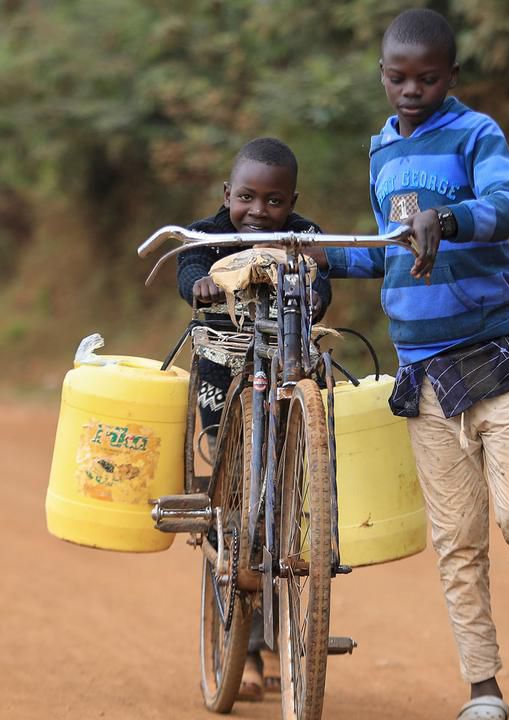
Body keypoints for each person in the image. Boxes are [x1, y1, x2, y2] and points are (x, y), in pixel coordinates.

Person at [310, 9, 509, 720]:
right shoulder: (380, 151)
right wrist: (318, 252)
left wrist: (453, 218)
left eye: (428, 77)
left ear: (452, 76)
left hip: (496, 359)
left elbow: (508, 204)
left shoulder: (476, 134)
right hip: (425, 379)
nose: (412, 90)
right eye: (399, 77)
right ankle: (483, 688)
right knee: (457, 540)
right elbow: (384, 249)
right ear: (382, 76)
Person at [176, 136, 332, 701]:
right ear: (227, 193)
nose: (258, 212)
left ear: (292, 200)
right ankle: (240, 648)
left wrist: (316, 296)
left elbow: (323, 282)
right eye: (246, 197)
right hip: (224, 376)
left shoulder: (304, 236)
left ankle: (272, 645)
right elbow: (190, 263)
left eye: (274, 201)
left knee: (280, 514)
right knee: (233, 512)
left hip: (283, 379)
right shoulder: (210, 232)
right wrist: (197, 282)